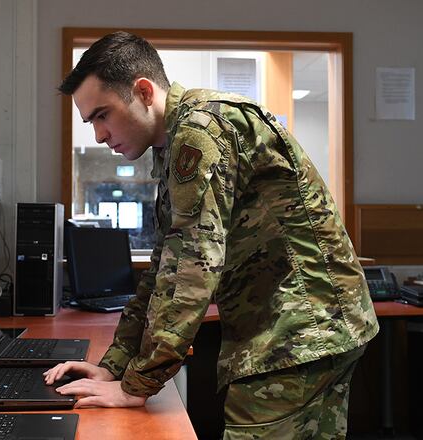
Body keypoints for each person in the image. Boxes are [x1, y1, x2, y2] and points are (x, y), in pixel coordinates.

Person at [43, 31, 378, 439]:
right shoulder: (171, 145)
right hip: (307, 321)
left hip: (300, 325)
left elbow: (191, 268)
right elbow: (164, 265)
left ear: (144, 92)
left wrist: (136, 384)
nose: (98, 134)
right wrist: (115, 365)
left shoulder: (203, 129)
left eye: (102, 115)